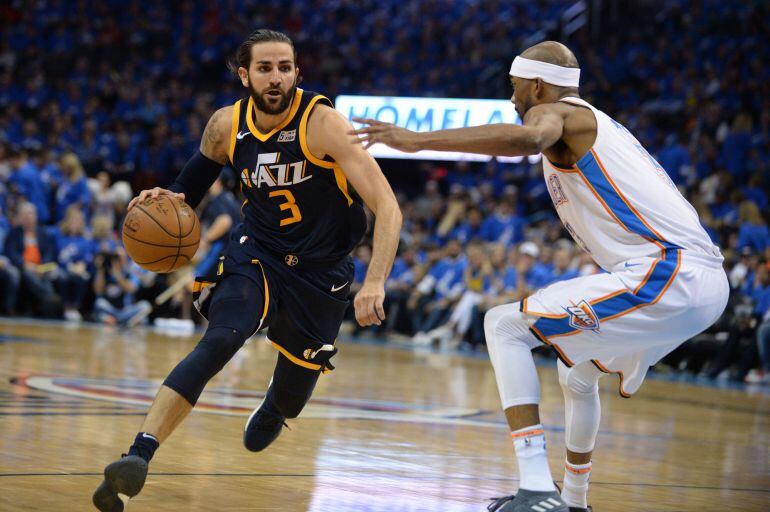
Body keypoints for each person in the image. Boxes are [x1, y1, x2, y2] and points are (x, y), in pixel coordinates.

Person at [353, 41, 728, 512]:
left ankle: (536, 489)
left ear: (536, 85)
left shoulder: (564, 114)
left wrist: (417, 140)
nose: (512, 100)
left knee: (503, 325)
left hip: (673, 272)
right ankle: (573, 501)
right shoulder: (593, 125)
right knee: (577, 372)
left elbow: (530, 137)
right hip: (696, 283)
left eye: (514, 89)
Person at [92, 29, 401, 511]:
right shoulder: (224, 125)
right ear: (245, 75)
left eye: (285, 67)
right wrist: (164, 200)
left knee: (294, 398)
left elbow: (388, 206)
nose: (276, 78)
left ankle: (277, 404)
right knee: (221, 338)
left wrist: (377, 279)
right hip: (257, 253)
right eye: (264, 68)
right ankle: (139, 453)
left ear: (298, 72)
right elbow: (187, 188)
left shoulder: (323, 124)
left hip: (322, 273)